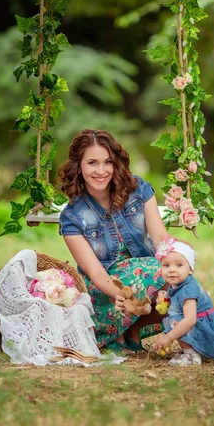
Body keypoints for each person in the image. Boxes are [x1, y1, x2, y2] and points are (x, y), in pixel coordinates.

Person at [58, 129, 169, 353]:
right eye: (92, 163)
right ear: (79, 166)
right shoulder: (71, 217)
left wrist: (177, 264)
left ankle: (132, 330)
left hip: (144, 272)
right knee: (160, 272)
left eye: (107, 162)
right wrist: (119, 295)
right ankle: (115, 333)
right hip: (105, 286)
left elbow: (161, 239)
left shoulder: (139, 190)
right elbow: (96, 273)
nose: (101, 171)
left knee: (175, 275)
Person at [153, 237, 214, 366]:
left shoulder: (188, 290)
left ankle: (191, 355)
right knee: (174, 316)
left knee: (175, 320)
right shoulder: (178, 284)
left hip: (208, 332)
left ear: (190, 269)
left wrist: (168, 337)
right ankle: (191, 350)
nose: (172, 270)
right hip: (203, 327)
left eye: (179, 265)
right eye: (166, 265)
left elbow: (190, 320)